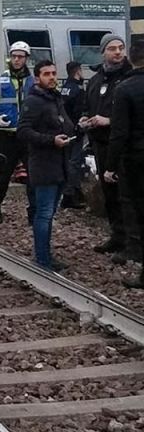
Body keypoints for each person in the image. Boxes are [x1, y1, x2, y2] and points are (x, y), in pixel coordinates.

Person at [83, 34, 138, 261]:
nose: (117, 52)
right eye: (112, 48)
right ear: (103, 52)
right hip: (100, 143)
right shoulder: (96, 80)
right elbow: (87, 105)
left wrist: (108, 120)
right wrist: (85, 118)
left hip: (123, 146)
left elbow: (135, 117)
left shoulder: (129, 78)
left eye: (120, 48)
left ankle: (132, 243)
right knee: (109, 193)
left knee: (126, 195)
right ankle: (117, 235)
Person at [17, 60, 75, 271]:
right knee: (44, 212)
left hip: (59, 164)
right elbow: (23, 131)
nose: (51, 77)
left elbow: (64, 124)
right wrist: (51, 140)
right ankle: (42, 259)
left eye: (53, 73)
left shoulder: (55, 99)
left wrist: (78, 127)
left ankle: (46, 255)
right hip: (43, 165)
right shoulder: (34, 101)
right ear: (37, 78)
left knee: (49, 213)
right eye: (46, 74)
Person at [0, 41, 36, 224]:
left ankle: (33, 213)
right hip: (6, 136)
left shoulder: (34, 81)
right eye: (14, 56)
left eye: (20, 57)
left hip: (28, 136)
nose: (17, 60)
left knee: (33, 176)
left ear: (26, 59)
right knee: (4, 175)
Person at [108, 38, 144, 287]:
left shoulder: (125, 89)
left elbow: (119, 133)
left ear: (131, 59)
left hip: (137, 160)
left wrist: (110, 166)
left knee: (141, 213)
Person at [59, 61, 87, 209]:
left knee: (67, 161)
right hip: (75, 130)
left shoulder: (64, 88)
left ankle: (72, 191)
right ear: (78, 71)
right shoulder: (78, 89)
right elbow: (79, 111)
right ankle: (71, 195)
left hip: (64, 129)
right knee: (74, 162)